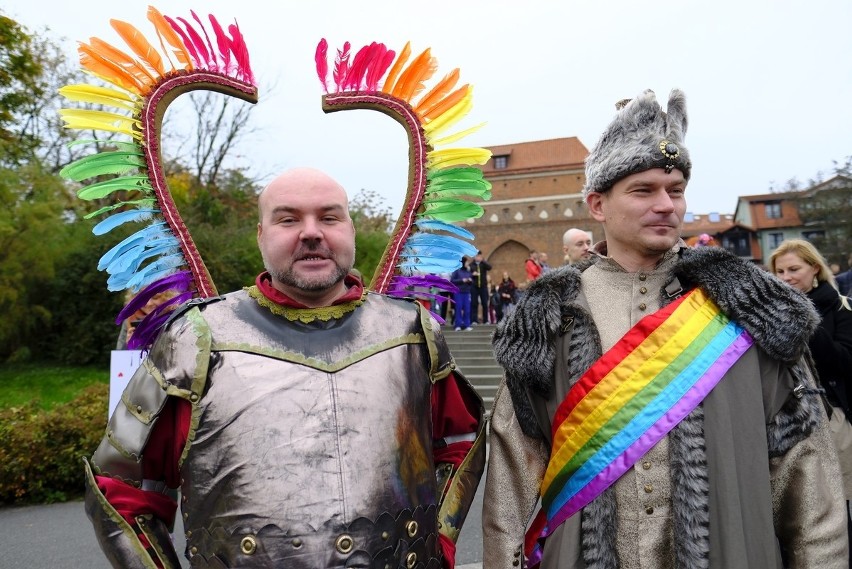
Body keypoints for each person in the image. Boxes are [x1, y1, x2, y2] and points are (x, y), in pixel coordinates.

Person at [483, 89, 847, 568]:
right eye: (643, 190)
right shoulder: (547, 314)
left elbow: (805, 470)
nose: (666, 205)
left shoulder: (752, 305)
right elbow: (513, 473)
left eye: (675, 190)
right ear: (597, 205)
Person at [84, 167, 486, 569]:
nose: (311, 232)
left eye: (329, 217)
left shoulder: (413, 332)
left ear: (351, 230)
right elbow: (120, 488)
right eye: (288, 218)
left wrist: (438, 546)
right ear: (261, 235)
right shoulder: (192, 339)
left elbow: (462, 443)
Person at [770, 238, 852, 560]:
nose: (786, 277)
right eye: (779, 271)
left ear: (814, 269)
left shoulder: (842, 307)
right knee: (801, 505)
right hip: (786, 424)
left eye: (794, 269)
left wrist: (804, 317)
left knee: (838, 503)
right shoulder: (772, 311)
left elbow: (843, 362)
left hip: (832, 420)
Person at [469, 250, 492, 324]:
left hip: (483, 286)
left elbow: (490, 267)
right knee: (474, 303)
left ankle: (486, 320)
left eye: (479, 256)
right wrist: (473, 274)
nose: (478, 257)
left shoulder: (483, 264)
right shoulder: (471, 265)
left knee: (484, 303)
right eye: (477, 256)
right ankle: (474, 320)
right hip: (474, 287)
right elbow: (468, 273)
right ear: (475, 257)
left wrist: (483, 261)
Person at [451, 257, 474, 331]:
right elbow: (452, 280)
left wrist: (470, 281)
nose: (468, 264)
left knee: (467, 309)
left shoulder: (468, 272)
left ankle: (467, 325)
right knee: (458, 308)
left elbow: (471, 282)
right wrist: (462, 280)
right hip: (458, 293)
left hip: (467, 293)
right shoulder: (457, 271)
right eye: (467, 262)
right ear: (463, 263)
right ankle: (458, 325)